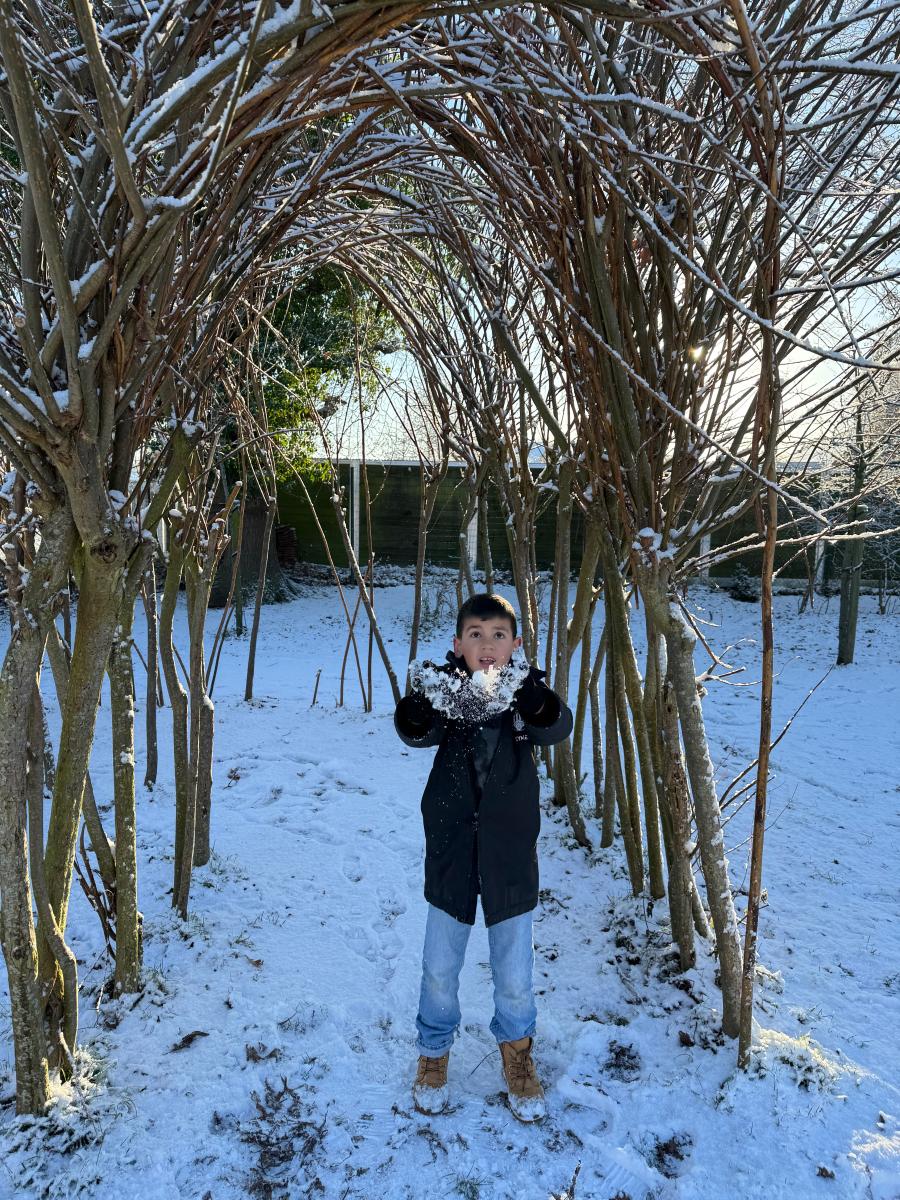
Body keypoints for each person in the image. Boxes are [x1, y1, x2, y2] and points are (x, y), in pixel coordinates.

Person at [394, 593, 573, 1123]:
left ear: (515, 644)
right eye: (476, 635)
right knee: (439, 967)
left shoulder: (523, 694)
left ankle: (518, 1055)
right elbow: (417, 732)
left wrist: (537, 701)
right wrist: (415, 711)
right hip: (452, 850)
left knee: (514, 972)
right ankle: (433, 1053)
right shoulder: (446, 693)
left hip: (508, 853)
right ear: (458, 645)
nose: (487, 645)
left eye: (498, 635)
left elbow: (555, 726)